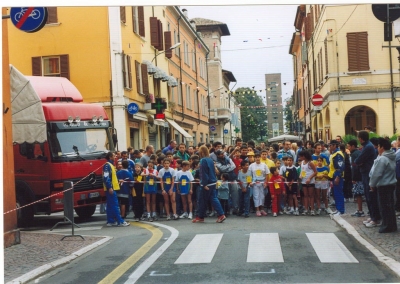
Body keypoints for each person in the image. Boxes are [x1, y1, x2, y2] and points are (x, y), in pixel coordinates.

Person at [369, 138, 397, 233]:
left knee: (384, 207)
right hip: (391, 184)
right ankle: (392, 225)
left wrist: (372, 184)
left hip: (383, 185)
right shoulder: (391, 156)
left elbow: (377, 173)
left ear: (382, 147)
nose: (377, 148)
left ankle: (386, 226)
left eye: (378, 146)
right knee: (390, 207)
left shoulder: (383, 159)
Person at [192, 145, 226, 223]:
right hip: (213, 182)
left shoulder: (203, 160)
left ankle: (201, 217)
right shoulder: (210, 160)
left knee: (201, 200)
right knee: (213, 198)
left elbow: (203, 173)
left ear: (201, 152)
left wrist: (204, 184)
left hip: (206, 183)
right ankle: (221, 214)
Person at [354, 130, 380, 227]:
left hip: (368, 173)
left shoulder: (368, 147)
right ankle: (372, 216)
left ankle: (375, 218)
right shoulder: (367, 146)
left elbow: (358, 160)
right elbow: (359, 161)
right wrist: (360, 162)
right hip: (365, 173)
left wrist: (360, 162)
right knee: (368, 196)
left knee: (371, 196)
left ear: (361, 138)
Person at [102, 152, 130, 227]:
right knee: (115, 205)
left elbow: (111, 177)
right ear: (110, 157)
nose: (116, 157)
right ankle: (120, 221)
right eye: (114, 156)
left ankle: (110, 221)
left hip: (111, 188)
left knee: (110, 205)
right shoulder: (108, 166)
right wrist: (110, 187)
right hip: (111, 189)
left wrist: (117, 181)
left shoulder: (110, 165)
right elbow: (106, 178)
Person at [215, 149, 239, 215]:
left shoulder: (228, 159)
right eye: (221, 154)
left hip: (232, 178)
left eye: (223, 153)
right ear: (218, 155)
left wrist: (226, 168)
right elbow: (221, 169)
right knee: (224, 195)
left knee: (235, 194)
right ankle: (226, 210)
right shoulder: (217, 161)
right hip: (223, 180)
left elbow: (233, 166)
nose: (223, 155)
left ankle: (235, 208)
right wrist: (228, 167)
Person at [249, 152, 270, 217]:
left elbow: (267, 174)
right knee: (256, 196)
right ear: (254, 158)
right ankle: (257, 210)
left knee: (262, 196)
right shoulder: (251, 165)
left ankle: (262, 209)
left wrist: (266, 182)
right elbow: (249, 174)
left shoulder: (264, 165)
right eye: (256, 157)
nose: (257, 158)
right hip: (255, 183)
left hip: (262, 182)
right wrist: (250, 182)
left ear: (260, 158)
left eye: (258, 157)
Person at [347, 139, 364, 217]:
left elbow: (354, 167)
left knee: (358, 194)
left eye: (349, 146)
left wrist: (354, 178)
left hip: (357, 177)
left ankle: (360, 210)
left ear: (353, 146)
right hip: (361, 175)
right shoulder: (359, 152)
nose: (348, 148)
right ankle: (360, 210)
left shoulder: (354, 154)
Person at [328, 140, 345, 216]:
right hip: (333, 175)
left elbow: (340, 166)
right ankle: (338, 209)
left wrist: (338, 176)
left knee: (339, 193)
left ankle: (340, 210)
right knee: (336, 193)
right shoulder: (334, 153)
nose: (330, 147)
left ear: (335, 145)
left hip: (338, 175)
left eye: (331, 145)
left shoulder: (338, 154)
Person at [298, 150, 317, 215]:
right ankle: (306, 209)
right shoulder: (302, 162)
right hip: (304, 181)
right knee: (305, 196)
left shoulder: (310, 163)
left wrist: (309, 178)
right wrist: (300, 177)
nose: (299, 157)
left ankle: (312, 209)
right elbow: (302, 171)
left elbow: (315, 172)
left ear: (304, 156)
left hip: (310, 181)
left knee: (311, 196)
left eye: (301, 156)